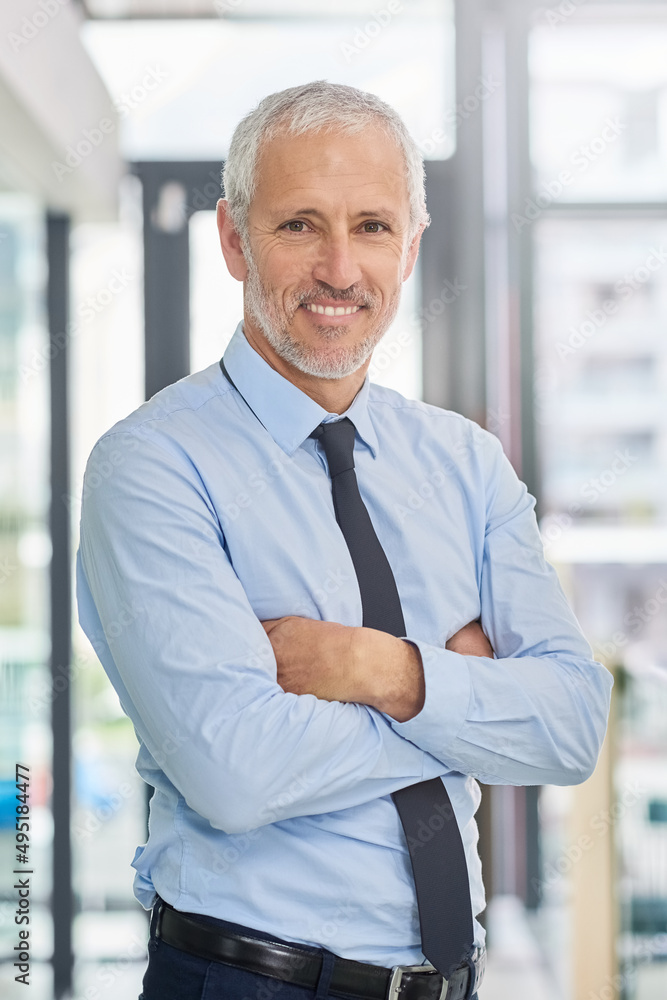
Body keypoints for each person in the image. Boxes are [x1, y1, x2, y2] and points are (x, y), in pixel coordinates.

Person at [76, 80, 613, 1000]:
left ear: (410, 246)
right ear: (233, 240)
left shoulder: (465, 461)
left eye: (370, 226)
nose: (338, 267)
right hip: (249, 981)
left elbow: (570, 727)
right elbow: (235, 772)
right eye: (298, 226)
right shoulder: (154, 466)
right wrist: (472, 709)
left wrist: (383, 672)